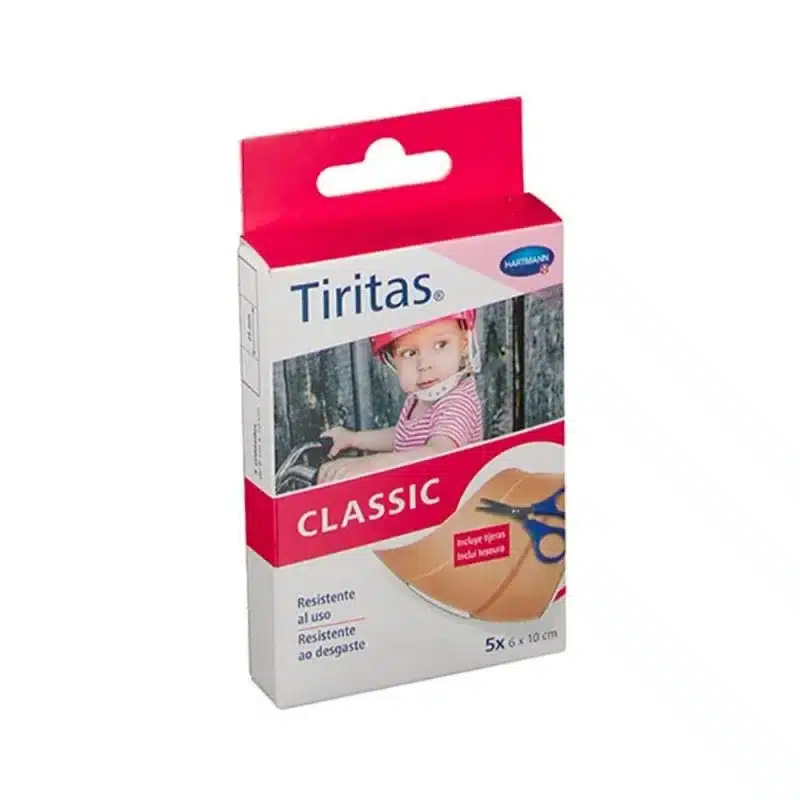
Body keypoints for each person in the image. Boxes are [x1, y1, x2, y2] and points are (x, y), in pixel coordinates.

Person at [318, 310, 484, 483]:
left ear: (464, 343)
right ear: (391, 360)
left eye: (440, 345)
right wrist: (353, 439)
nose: (424, 364)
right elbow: (403, 436)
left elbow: (439, 453)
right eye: (409, 353)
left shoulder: (458, 403)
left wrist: (372, 464)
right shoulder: (419, 398)